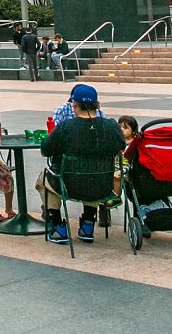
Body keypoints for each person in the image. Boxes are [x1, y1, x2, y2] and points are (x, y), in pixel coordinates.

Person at [41, 84, 121, 244]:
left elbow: (46, 150)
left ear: (74, 104)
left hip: (68, 185)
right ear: (97, 105)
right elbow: (121, 146)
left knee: (44, 180)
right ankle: (88, 224)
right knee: (92, 178)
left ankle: (57, 227)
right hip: (103, 184)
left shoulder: (65, 127)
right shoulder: (112, 126)